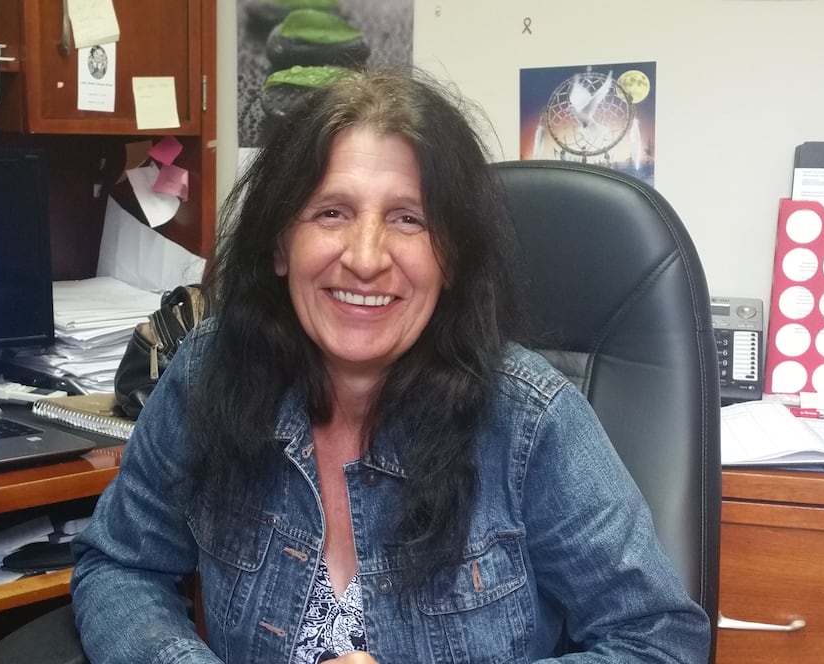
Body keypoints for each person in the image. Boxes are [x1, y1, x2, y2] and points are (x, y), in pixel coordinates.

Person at [70, 68, 711, 663]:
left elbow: (659, 641)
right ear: (279, 245)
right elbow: (120, 566)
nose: (367, 258)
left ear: (452, 257)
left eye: (408, 219)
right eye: (331, 212)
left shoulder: (530, 421)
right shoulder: (211, 373)